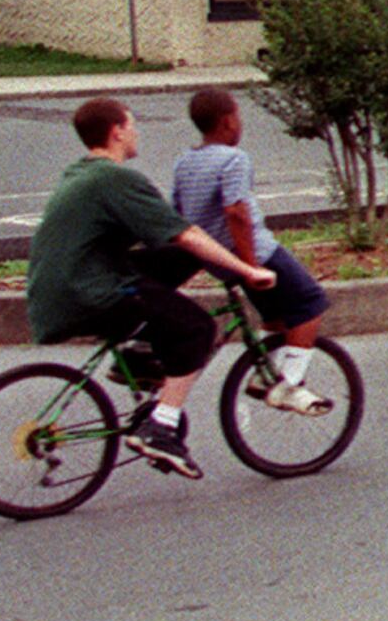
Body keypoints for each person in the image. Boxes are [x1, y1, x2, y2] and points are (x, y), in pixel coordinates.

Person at [25, 95, 273, 481]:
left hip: (63, 288)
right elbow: (185, 233)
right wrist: (246, 269)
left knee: (180, 259)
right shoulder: (116, 179)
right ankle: (161, 430)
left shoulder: (80, 173)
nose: (137, 131)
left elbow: (168, 241)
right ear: (117, 131)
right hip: (91, 293)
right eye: (132, 124)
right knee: (198, 328)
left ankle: (143, 352)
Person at [169, 86, 335, 416]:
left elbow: (178, 212)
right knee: (311, 302)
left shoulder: (184, 162)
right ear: (229, 121)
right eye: (239, 116)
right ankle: (288, 385)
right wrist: (250, 265)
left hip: (217, 259)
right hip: (253, 253)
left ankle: (264, 377)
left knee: (274, 317)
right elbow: (236, 212)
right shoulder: (234, 159)